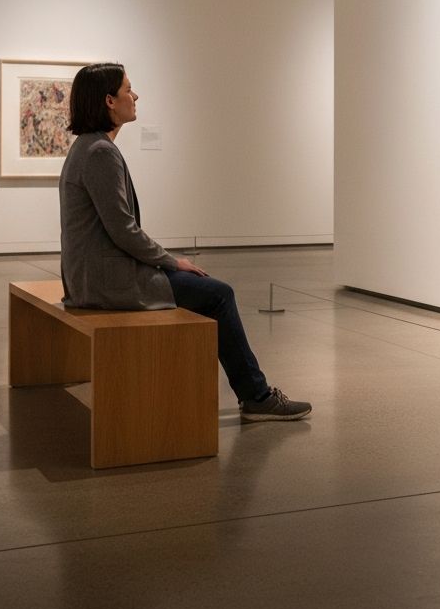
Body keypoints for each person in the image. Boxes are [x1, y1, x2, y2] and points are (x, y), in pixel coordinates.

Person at [59, 62, 311, 422]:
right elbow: (123, 230)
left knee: (209, 291)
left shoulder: (86, 147)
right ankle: (256, 396)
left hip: (91, 276)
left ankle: (254, 394)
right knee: (219, 294)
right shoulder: (100, 152)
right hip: (106, 282)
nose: (136, 95)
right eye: (129, 89)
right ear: (109, 101)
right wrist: (171, 261)